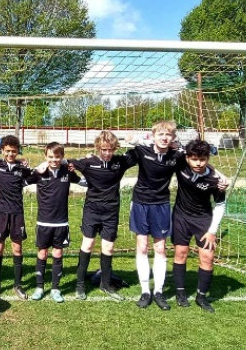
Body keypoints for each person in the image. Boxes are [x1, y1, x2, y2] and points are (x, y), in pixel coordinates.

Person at [69, 131, 136, 301]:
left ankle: (105, 284)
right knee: (88, 244)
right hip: (92, 210)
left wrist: (136, 140)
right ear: (98, 148)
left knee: (108, 248)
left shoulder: (120, 162)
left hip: (111, 211)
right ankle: (80, 285)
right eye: (104, 149)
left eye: (110, 149)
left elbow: (143, 152)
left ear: (115, 148)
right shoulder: (88, 162)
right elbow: (64, 161)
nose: (107, 153)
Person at [125, 120, 181, 311]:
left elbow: (199, 157)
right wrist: (143, 140)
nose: (164, 138)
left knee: (160, 248)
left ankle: (158, 291)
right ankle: (145, 291)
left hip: (161, 205)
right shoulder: (144, 150)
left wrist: (218, 176)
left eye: (168, 135)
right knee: (142, 247)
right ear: (154, 135)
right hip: (140, 203)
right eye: (161, 134)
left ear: (173, 137)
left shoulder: (176, 155)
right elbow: (129, 138)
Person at [171, 139, 226, 312]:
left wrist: (212, 231)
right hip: (180, 216)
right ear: (188, 158)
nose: (198, 163)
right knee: (180, 253)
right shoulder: (181, 165)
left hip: (203, 220)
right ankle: (180, 293)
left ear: (208, 158)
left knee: (207, 257)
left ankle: (201, 297)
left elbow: (220, 205)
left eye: (202, 159)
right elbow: (171, 147)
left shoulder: (215, 179)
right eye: (194, 159)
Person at [28, 142, 80, 303]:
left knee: (58, 254)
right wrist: (38, 167)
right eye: (50, 157)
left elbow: (80, 179)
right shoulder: (39, 173)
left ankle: (56, 289)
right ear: (45, 157)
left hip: (61, 223)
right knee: (42, 253)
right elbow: (25, 178)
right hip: (43, 222)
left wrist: (68, 163)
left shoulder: (67, 171)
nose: (54, 160)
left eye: (57, 157)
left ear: (62, 157)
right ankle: (39, 287)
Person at [0, 134, 36, 300]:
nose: (10, 154)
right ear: (2, 150)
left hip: (17, 213)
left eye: (13, 152)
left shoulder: (22, 169)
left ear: (17, 151)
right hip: (0, 212)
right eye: (7, 151)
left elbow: (39, 175)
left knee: (17, 248)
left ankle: (18, 285)